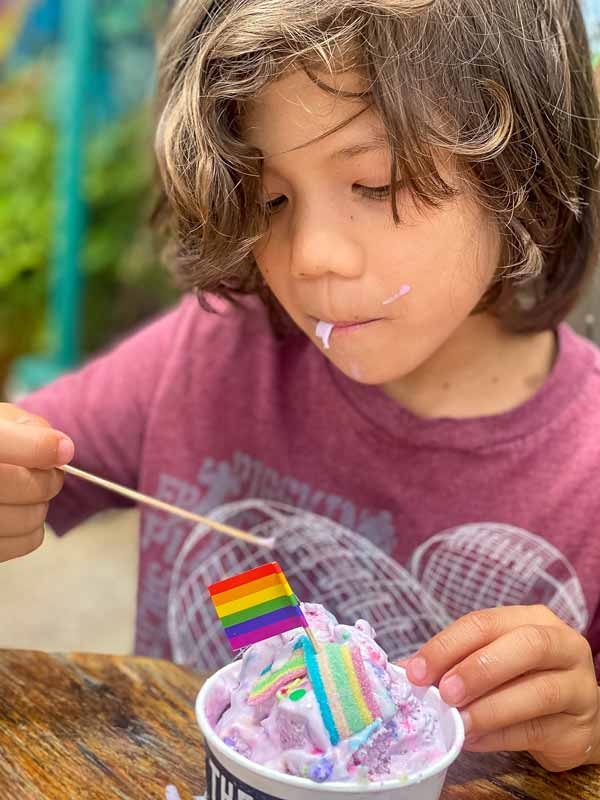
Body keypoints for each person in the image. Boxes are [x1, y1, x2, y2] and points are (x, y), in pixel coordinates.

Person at [1, 0, 600, 772]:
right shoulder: (214, 349)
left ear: (526, 170)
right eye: (271, 198)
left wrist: (587, 723)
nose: (310, 254)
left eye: (377, 184)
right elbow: (32, 461)